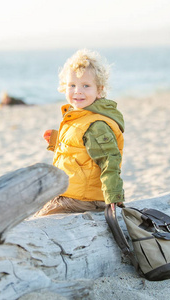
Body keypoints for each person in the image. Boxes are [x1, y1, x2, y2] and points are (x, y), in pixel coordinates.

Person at [34, 49, 125, 217]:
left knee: (40, 220)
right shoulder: (79, 117)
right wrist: (57, 142)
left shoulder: (96, 124)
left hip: (84, 198)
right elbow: (81, 152)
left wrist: (114, 196)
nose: (78, 91)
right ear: (64, 87)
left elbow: (109, 159)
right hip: (75, 192)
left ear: (99, 90)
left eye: (86, 85)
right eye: (72, 85)